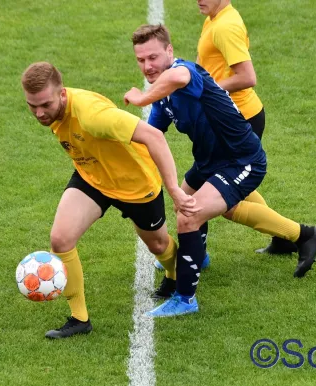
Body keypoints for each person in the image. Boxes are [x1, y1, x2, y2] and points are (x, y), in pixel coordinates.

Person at [125, 25, 316, 317]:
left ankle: (185, 299)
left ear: (170, 51)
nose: (147, 66)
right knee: (187, 192)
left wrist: (142, 98)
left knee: (190, 213)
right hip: (210, 162)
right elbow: (150, 134)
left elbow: (179, 76)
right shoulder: (164, 97)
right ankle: (200, 255)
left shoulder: (187, 73)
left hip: (241, 161)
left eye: (153, 57)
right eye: (141, 60)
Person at [21, 61, 197, 338]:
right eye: (33, 106)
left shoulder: (93, 115)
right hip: (92, 177)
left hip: (135, 185)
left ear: (62, 94)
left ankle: (176, 275)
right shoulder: (54, 112)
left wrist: (174, 188)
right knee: (60, 239)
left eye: (45, 104)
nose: (39, 113)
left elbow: (154, 137)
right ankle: (80, 319)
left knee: (158, 244)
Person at [195, 0, 296, 256]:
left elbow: (247, 77)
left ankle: (301, 234)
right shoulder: (214, 18)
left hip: (238, 119)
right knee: (222, 184)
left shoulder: (225, 26)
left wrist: (206, 91)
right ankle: (285, 237)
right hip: (228, 118)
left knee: (220, 193)